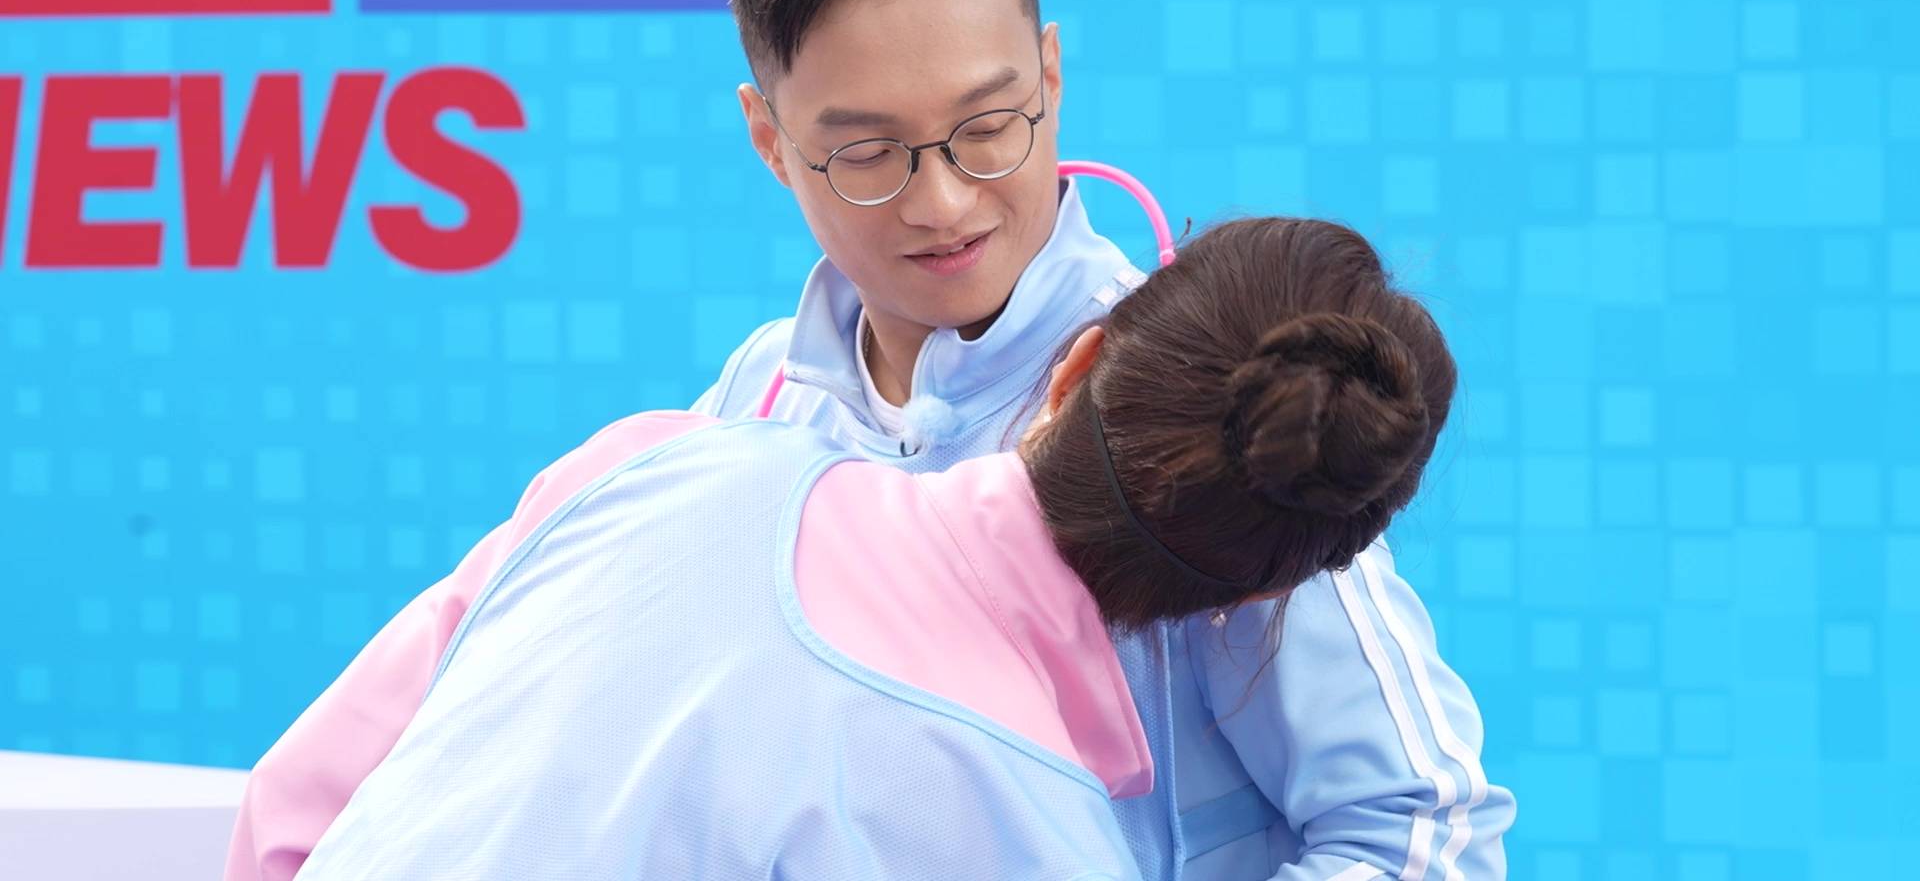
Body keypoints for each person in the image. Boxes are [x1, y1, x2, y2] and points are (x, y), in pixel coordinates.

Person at [226, 0, 1514, 881]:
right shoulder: (740, 419)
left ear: (1051, 74)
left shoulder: (1202, 405)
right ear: (769, 139)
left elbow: (1423, 833)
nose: (943, 201)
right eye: (867, 152)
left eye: (989, 126)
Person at [288, 217, 1460, 880]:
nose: (940, 203)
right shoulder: (1023, 812)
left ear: (1075, 363)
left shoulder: (654, 458)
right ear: (1262, 594)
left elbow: (304, 801)